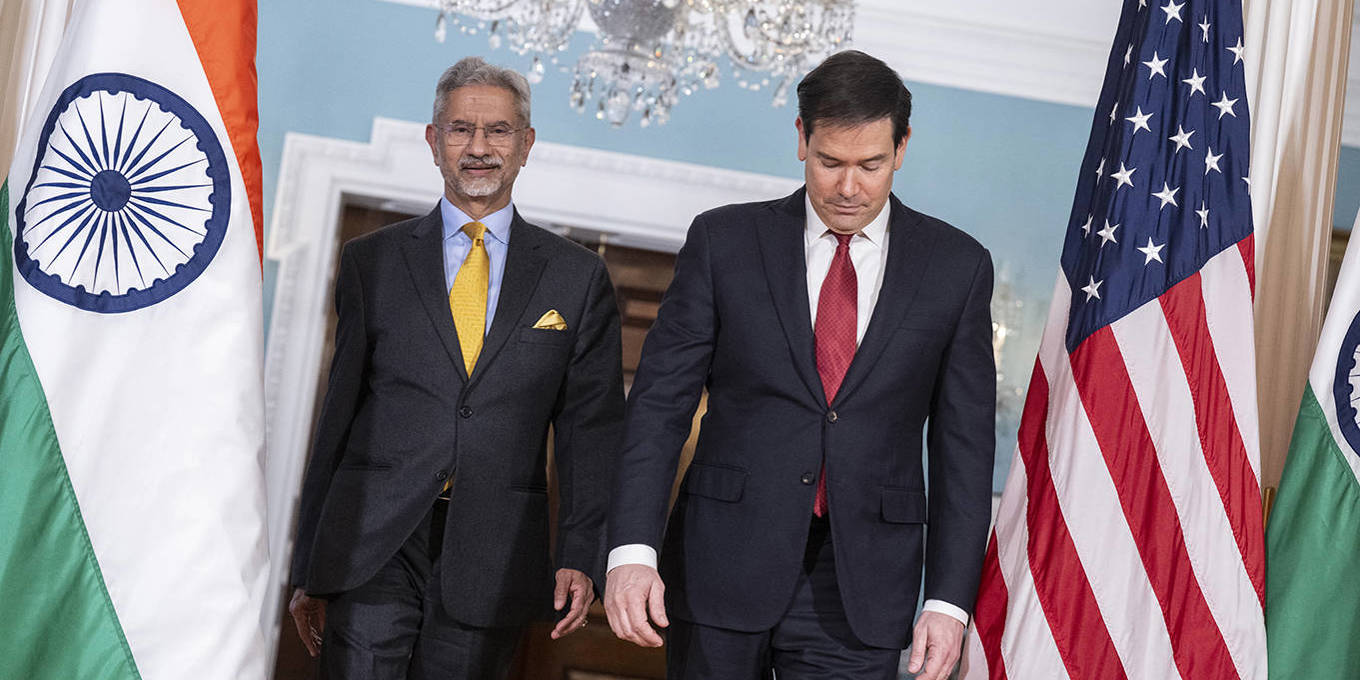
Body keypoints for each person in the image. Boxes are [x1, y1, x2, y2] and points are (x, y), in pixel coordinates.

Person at [603, 50, 996, 680]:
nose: (848, 187)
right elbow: (657, 407)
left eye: (870, 165)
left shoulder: (958, 267)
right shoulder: (725, 242)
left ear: (901, 148)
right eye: (830, 162)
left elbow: (965, 450)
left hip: (864, 588)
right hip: (720, 564)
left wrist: (949, 601)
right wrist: (631, 550)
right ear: (800, 139)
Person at [288, 56, 624, 680]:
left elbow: (591, 434)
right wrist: (308, 564)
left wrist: (582, 553)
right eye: (461, 129)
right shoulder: (372, 262)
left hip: (494, 553)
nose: (479, 148)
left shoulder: (577, 278)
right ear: (433, 139)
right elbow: (335, 422)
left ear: (526, 144)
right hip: (371, 543)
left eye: (498, 131)